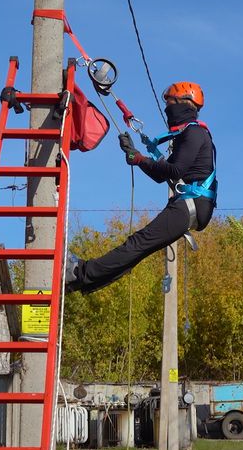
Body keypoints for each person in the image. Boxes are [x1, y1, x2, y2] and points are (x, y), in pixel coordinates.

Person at [65, 81, 217, 294]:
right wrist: (136, 156)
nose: (167, 108)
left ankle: (79, 273)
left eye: (170, 102)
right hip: (193, 205)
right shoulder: (188, 135)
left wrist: (139, 159)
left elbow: (174, 171)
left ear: (184, 103)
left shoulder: (194, 134)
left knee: (138, 243)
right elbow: (160, 174)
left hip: (190, 205)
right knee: (138, 250)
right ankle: (82, 281)